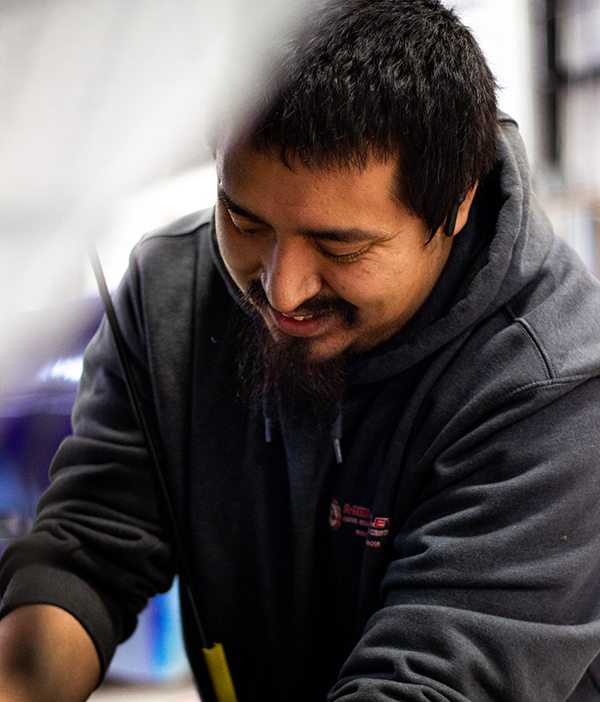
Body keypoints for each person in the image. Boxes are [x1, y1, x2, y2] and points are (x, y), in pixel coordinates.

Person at [2, 0, 600, 700]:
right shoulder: (171, 295)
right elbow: (91, 548)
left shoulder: (557, 386)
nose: (282, 292)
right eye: (243, 218)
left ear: (456, 206)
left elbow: (435, 682)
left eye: (341, 246)